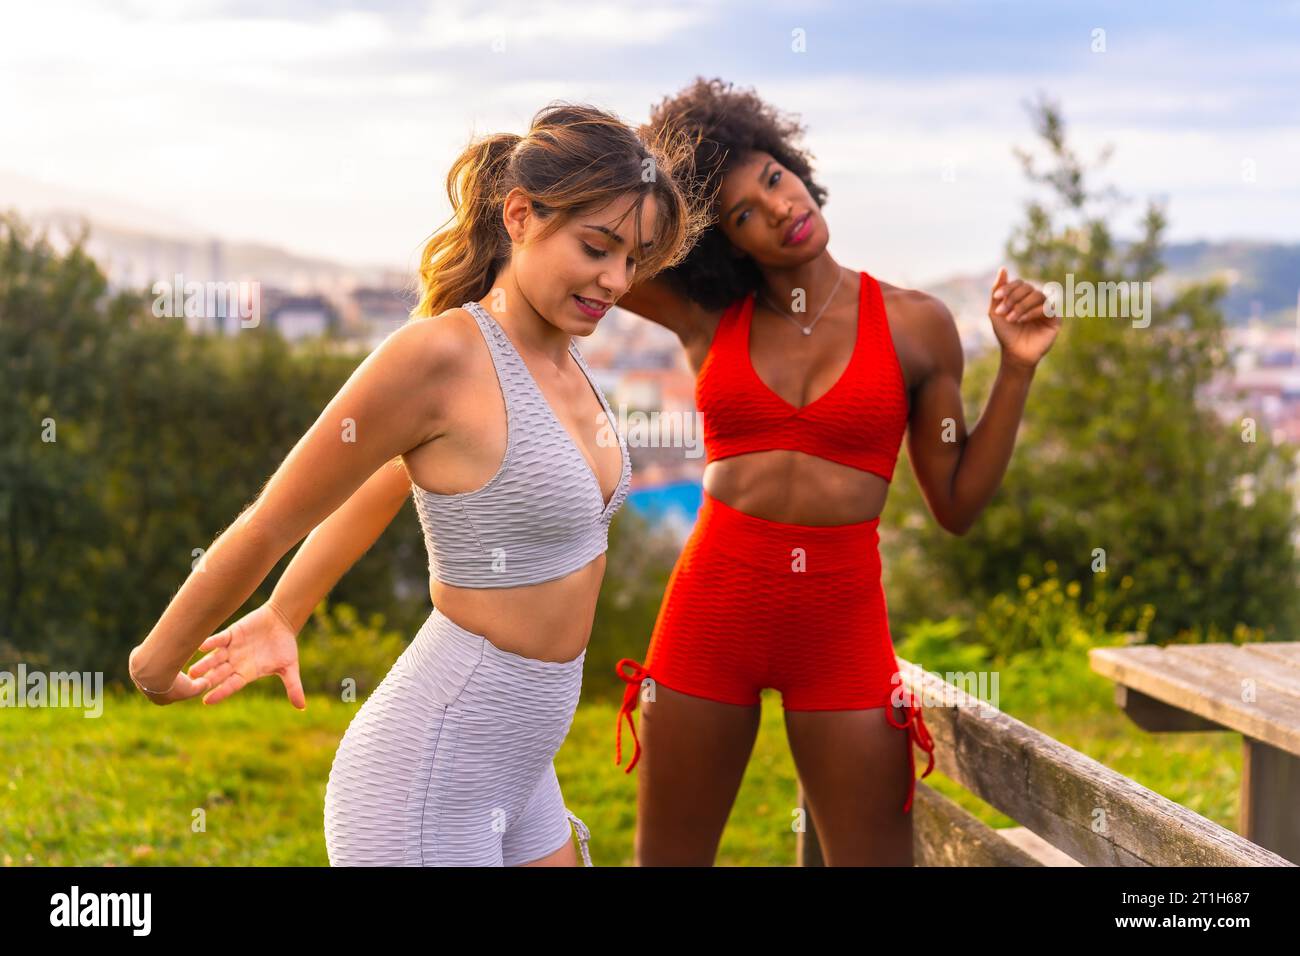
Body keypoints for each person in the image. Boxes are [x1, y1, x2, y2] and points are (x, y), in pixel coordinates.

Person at [126, 102, 703, 867]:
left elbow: (385, 485)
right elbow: (274, 517)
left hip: (522, 769)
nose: (615, 280)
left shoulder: (567, 363)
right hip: (426, 780)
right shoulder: (437, 356)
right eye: (597, 247)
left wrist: (286, 612)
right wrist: (154, 663)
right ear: (522, 215)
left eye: (633, 259)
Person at [609, 77, 1061, 866]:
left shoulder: (918, 326)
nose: (779, 209)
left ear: (798, 168)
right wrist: (660, 179)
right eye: (744, 212)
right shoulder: (704, 317)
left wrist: (1017, 371)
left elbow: (954, 501)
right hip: (712, 610)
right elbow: (604, 233)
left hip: (841, 622)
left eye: (776, 179)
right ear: (723, 242)